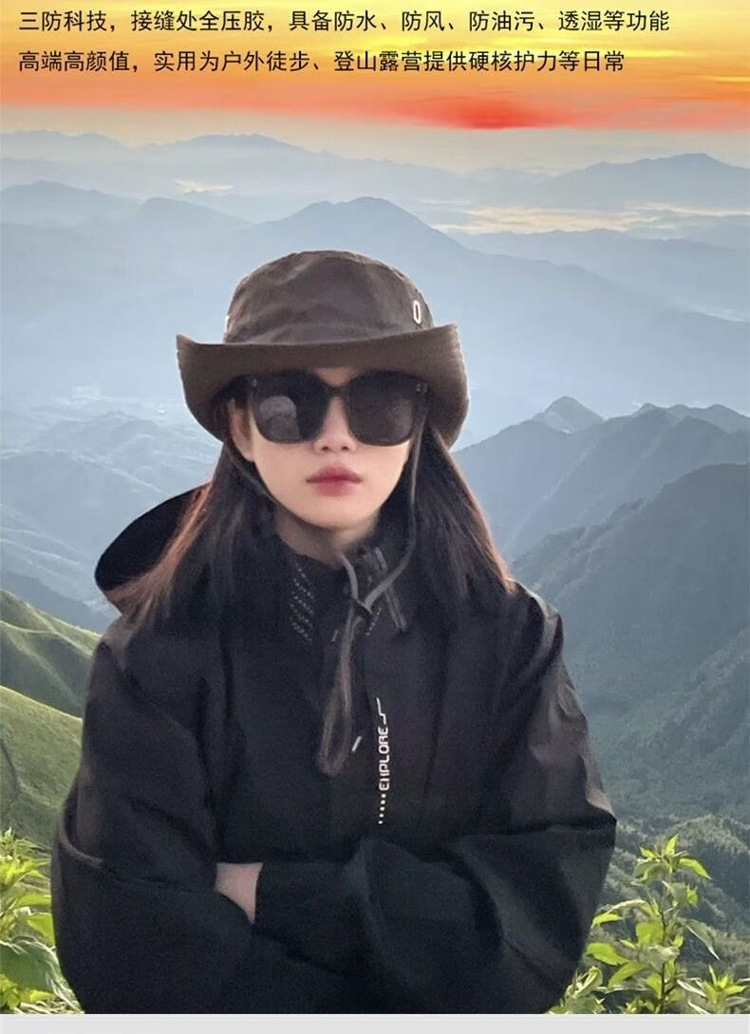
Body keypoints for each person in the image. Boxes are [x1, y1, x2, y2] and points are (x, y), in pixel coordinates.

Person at [50, 249, 617, 1014]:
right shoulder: (158, 657)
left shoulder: (510, 638)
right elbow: (128, 949)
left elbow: (536, 921)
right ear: (241, 428)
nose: (336, 437)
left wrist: (271, 894)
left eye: (379, 402)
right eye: (291, 402)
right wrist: (415, 940)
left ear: (418, 426)